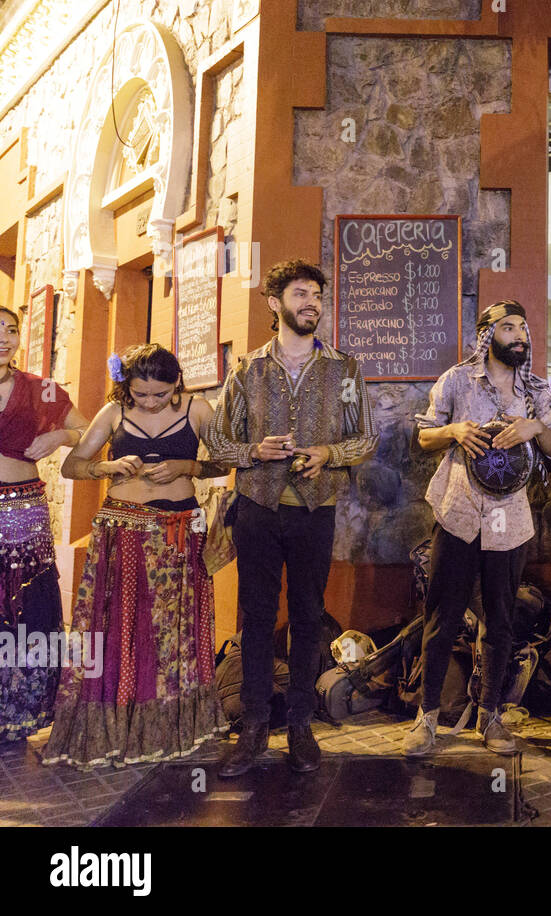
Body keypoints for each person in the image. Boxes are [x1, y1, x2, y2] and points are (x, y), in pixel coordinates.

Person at [206, 259, 377, 777]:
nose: (312, 304)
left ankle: (301, 725)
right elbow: (216, 443)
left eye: (318, 296)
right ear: (274, 303)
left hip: (314, 510)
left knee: (308, 616)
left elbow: (365, 438)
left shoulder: (344, 369)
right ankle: (255, 726)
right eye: (301, 294)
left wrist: (329, 453)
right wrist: (254, 450)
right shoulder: (247, 369)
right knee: (255, 619)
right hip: (257, 507)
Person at [44, 344, 226, 767]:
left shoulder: (198, 410)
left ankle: (173, 724)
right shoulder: (113, 413)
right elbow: (73, 465)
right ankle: (115, 725)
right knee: (121, 625)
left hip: (180, 533)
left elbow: (224, 462)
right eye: (140, 394)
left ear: (176, 383)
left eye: (159, 395)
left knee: (172, 630)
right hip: (122, 530)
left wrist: (187, 467)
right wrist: (106, 469)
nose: (148, 402)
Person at [403, 300, 551, 758]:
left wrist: (534, 426)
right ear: (486, 335)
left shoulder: (536, 392)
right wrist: (454, 431)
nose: (519, 334)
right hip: (458, 512)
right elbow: (423, 436)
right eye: (508, 326)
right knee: (442, 615)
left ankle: (490, 717)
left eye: (523, 327)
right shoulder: (456, 380)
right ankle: (428, 718)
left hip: (508, 520)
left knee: (500, 619)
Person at [0, 306, 89, 744]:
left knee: (28, 606)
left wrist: (59, 436)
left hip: (25, 510)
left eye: (11, 329)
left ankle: (21, 708)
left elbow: (88, 428)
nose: (4, 337)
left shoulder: (43, 387)